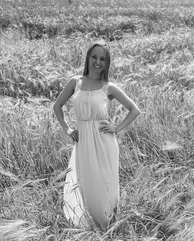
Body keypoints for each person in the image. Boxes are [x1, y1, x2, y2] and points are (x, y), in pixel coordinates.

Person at [53, 41, 140, 230]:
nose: (97, 62)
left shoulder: (108, 87)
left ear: (107, 62)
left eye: (102, 58)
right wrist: (67, 128)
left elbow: (134, 110)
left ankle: (108, 227)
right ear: (88, 57)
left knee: (105, 185)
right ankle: (90, 226)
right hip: (83, 141)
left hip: (104, 142)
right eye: (94, 57)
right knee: (87, 184)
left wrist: (116, 128)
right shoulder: (75, 82)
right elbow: (57, 106)